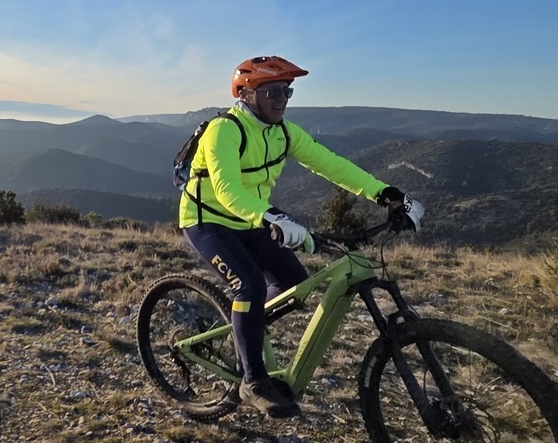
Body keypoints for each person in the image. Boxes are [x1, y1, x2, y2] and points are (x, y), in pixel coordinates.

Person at [179, 56, 423, 417]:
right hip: (208, 221)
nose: (282, 99)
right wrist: (269, 216)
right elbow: (228, 189)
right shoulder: (225, 131)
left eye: (287, 92)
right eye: (273, 91)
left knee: (295, 283)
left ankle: (242, 329)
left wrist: (384, 193)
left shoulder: (284, 132)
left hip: (251, 222)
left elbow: (331, 163)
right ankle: (253, 381)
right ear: (246, 94)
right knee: (249, 287)